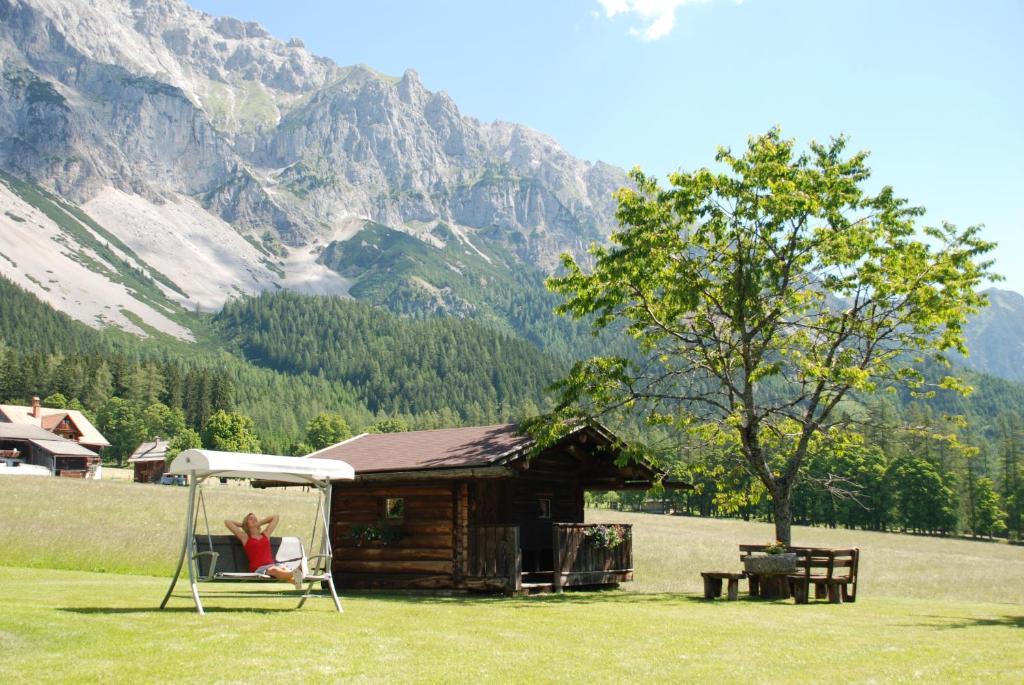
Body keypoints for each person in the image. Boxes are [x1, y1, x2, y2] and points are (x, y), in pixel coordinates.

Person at [225, 512, 304, 589]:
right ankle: (296, 573)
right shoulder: (245, 538)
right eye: (250, 519)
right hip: (260, 568)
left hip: (272, 565)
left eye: (255, 518)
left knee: (283, 569)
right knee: (275, 570)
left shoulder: (265, 534)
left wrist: (259, 523)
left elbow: (275, 517)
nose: (254, 519)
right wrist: (243, 525)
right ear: (247, 524)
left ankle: (295, 580)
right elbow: (227, 522)